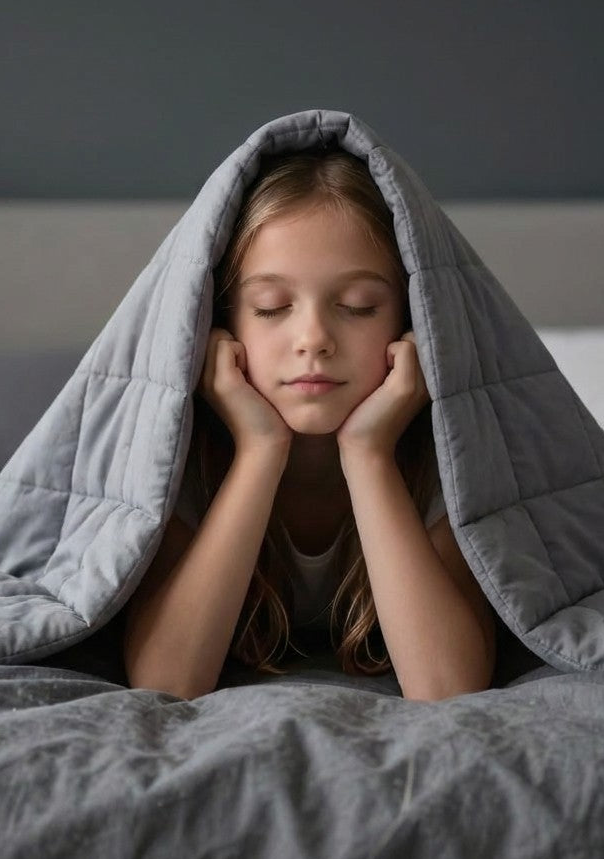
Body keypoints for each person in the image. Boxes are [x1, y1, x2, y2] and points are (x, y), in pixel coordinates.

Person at [123, 146, 495, 700]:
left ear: (413, 322)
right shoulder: (176, 460)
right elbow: (167, 683)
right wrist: (259, 449)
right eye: (272, 306)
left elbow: (446, 687)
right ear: (220, 327)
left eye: (359, 305)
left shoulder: (452, 458)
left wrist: (368, 453)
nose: (314, 339)